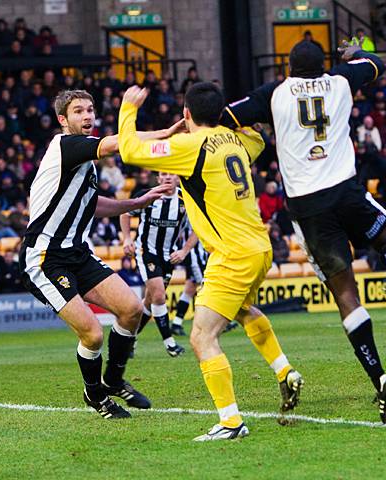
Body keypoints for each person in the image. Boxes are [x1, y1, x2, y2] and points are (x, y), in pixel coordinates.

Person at [221, 39, 386, 424]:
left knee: (345, 294)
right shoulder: (341, 80)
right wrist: (352, 57)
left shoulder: (275, 93)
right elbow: (376, 62)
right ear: (324, 65)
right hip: (345, 190)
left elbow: (226, 115)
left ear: (289, 67)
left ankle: (379, 378)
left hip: (308, 205)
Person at [118, 82, 303, 441]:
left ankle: (231, 422)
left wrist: (128, 109)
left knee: (202, 336)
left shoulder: (188, 146)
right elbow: (260, 138)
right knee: (244, 309)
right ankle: (285, 372)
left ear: (186, 114)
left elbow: (128, 149)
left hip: (232, 254)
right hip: (259, 248)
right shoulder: (237, 141)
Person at [19, 89, 177, 419]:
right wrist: (162, 130)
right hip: (46, 257)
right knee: (92, 334)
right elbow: (119, 144)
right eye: (78, 111)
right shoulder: (65, 146)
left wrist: (138, 203)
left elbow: (93, 205)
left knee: (132, 309)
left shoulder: (85, 165)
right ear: (63, 120)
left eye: (90, 110)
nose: (87, 116)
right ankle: (95, 396)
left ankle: (114, 380)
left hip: (77, 251)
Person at [120, 172, 191, 357]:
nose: (167, 177)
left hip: (169, 256)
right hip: (146, 252)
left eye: (171, 174)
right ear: (158, 179)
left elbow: (199, 228)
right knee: (159, 296)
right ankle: (170, 344)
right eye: (163, 174)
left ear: (177, 178)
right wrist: (127, 238)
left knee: (151, 302)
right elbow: (125, 213)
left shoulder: (186, 200)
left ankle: (129, 340)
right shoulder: (147, 196)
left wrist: (184, 250)